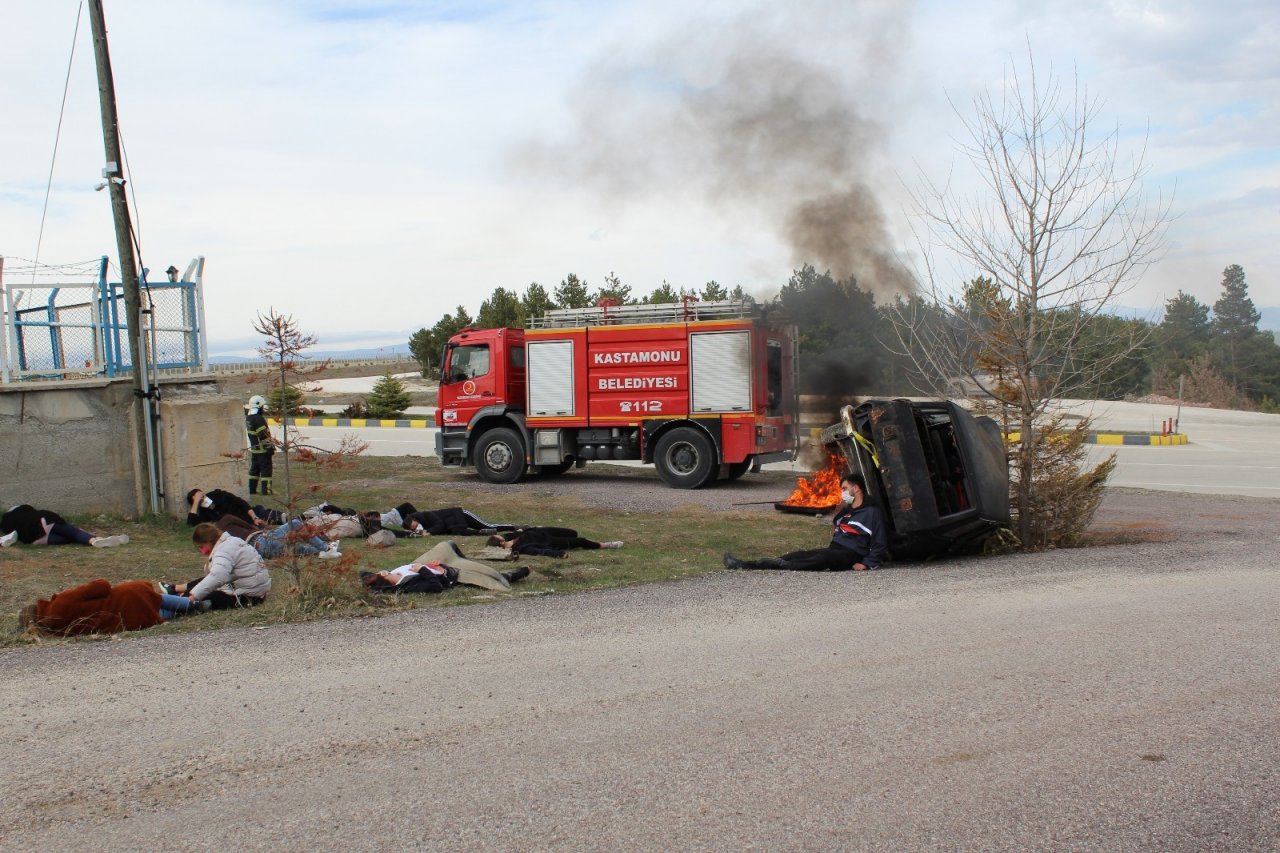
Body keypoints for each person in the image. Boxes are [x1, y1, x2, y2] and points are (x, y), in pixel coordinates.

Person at [723, 473, 887, 572]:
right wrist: (842, 507)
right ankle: (745, 564)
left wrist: (866, 564)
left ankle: (781, 566)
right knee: (800, 554)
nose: (842, 493)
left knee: (821, 558)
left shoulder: (872, 512)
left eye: (844, 489)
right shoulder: (847, 511)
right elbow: (836, 525)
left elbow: (879, 543)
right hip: (835, 548)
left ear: (856, 488)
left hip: (850, 554)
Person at [18, 578, 199, 636]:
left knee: (163, 613)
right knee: (160, 599)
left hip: (130, 622)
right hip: (130, 599)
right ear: (37, 606)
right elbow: (101, 586)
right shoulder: (61, 601)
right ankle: (194, 604)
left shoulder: (57, 631)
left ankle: (190, 608)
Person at [162, 522, 272, 610]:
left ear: (209, 541)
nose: (201, 551)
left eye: (201, 547)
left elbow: (218, 577)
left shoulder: (223, 551)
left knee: (206, 593)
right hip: (256, 591)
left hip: (246, 596)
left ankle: (178, 602)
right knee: (206, 584)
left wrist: (194, 595)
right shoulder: (232, 541)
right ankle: (178, 595)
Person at [361, 540, 531, 593]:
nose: (384, 571)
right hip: (447, 572)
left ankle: (466, 560)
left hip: (429, 561)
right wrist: (424, 570)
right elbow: (435, 587)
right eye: (383, 574)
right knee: (492, 576)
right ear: (385, 579)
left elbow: (365, 576)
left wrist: (423, 565)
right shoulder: (408, 586)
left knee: (447, 544)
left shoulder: (392, 573)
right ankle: (513, 575)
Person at [1, 504, 128, 548]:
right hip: (43, 522)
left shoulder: (6, 523)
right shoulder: (26, 510)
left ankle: (97, 540)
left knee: (70, 538)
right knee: (73, 533)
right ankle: (94, 539)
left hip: (36, 539)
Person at [487, 526, 622, 558]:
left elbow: (513, 532)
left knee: (573, 533)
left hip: (545, 531)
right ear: (500, 543)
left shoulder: (510, 537)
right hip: (550, 541)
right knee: (580, 541)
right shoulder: (519, 547)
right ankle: (606, 545)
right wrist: (558, 554)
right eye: (498, 538)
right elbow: (538, 550)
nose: (499, 536)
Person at [185, 487, 265, 529]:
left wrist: (254, 517)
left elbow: (241, 503)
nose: (204, 500)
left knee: (271, 516)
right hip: (240, 526)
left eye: (203, 496)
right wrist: (196, 502)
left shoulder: (218, 495)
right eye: (200, 500)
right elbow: (190, 524)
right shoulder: (204, 513)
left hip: (250, 515)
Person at [245, 394, 276, 496]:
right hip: (263, 450)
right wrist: (270, 447)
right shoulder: (259, 419)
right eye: (262, 406)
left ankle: (252, 489)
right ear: (258, 406)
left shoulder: (249, 418)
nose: (263, 408)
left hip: (254, 450)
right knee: (266, 470)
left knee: (254, 470)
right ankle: (266, 491)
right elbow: (263, 435)